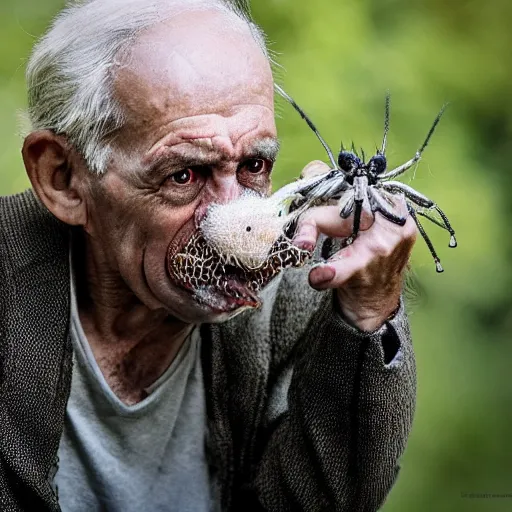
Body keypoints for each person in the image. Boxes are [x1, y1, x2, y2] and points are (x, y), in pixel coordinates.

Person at [0, 0, 418, 510]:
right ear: (63, 179)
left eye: (254, 166)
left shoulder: (306, 286)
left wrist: (370, 313)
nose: (232, 222)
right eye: (184, 175)